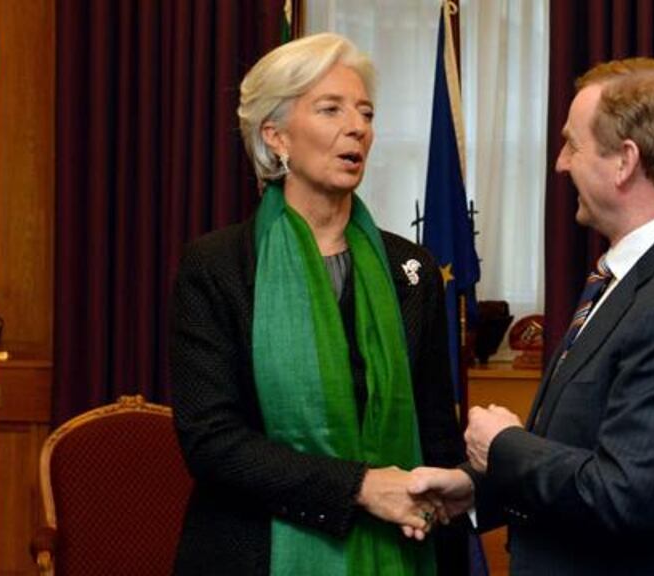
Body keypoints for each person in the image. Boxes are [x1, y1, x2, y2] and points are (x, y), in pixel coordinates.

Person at [410, 57, 654, 575]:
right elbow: (587, 449)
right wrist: (480, 483)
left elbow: (624, 495)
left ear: (625, 161)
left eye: (573, 144)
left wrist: (504, 446)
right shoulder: (639, 275)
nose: (560, 163)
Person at [169, 33, 466, 575]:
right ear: (275, 135)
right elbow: (211, 441)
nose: (357, 127)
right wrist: (360, 488)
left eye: (366, 112)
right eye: (330, 109)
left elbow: (435, 432)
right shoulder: (217, 266)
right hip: (256, 551)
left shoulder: (413, 271)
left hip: (402, 550)